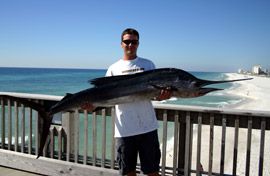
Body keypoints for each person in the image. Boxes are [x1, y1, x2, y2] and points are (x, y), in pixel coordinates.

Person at [83, 28, 172, 176]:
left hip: (148, 128)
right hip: (124, 131)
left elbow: (153, 95)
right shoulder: (113, 68)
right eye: (127, 42)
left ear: (138, 44)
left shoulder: (148, 65)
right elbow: (105, 97)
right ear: (121, 44)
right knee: (128, 173)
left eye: (134, 42)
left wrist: (162, 96)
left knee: (153, 172)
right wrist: (92, 107)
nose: (130, 45)